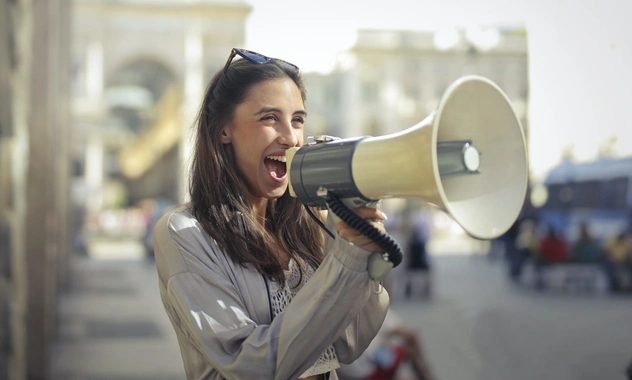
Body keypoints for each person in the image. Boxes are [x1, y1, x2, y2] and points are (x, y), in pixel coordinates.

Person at [152, 48, 391, 380]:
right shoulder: (184, 232)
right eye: (269, 118)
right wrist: (342, 266)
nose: (291, 137)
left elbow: (349, 344)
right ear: (224, 130)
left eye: (297, 120)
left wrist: (358, 253)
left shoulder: (313, 224)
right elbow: (251, 366)